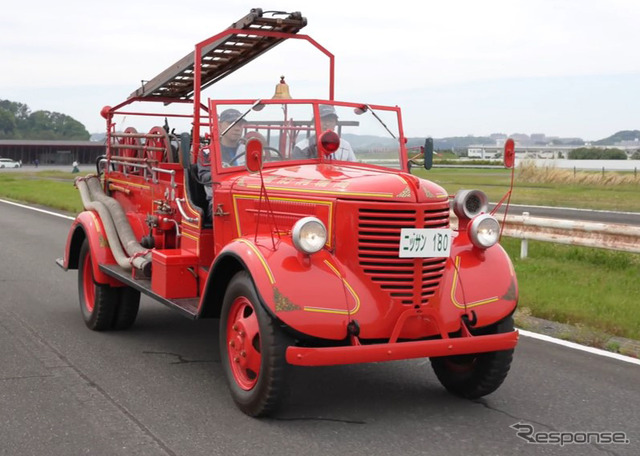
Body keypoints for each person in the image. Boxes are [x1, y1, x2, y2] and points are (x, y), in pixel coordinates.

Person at [197, 108, 247, 219]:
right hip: (218, 200)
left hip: (246, 195)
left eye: (240, 124)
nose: (237, 128)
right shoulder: (207, 152)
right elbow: (203, 177)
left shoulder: (248, 150)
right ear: (219, 126)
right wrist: (222, 173)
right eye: (231, 123)